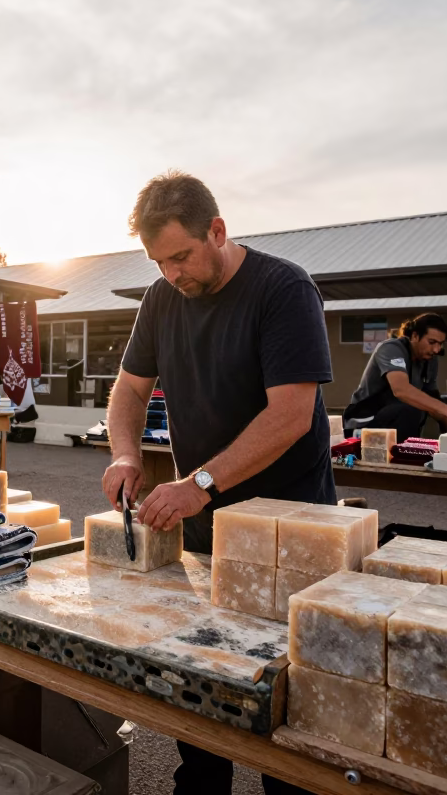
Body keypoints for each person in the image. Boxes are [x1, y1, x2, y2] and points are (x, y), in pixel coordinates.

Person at [101, 171, 335, 795]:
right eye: (159, 262)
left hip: (292, 530)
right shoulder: (160, 298)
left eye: (181, 256)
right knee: (201, 685)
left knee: (287, 706)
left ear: (218, 231)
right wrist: (126, 456)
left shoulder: (283, 288)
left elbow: (289, 414)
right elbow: (128, 390)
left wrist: (197, 483)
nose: (173, 274)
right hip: (204, 524)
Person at [343, 312, 447, 442]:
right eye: (432, 342)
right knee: (410, 409)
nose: (436, 349)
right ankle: (403, 455)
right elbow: (401, 390)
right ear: (415, 336)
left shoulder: (429, 360)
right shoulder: (391, 348)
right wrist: (445, 408)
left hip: (397, 424)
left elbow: (431, 400)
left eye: (440, 344)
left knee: (436, 411)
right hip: (365, 422)